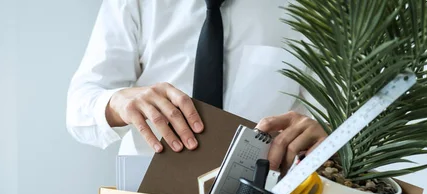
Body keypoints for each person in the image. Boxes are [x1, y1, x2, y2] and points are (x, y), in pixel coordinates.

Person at [66, 0, 327, 173]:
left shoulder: (313, 8)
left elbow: (334, 119)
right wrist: (118, 103)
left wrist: (328, 134)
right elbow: (79, 107)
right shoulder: (135, 3)